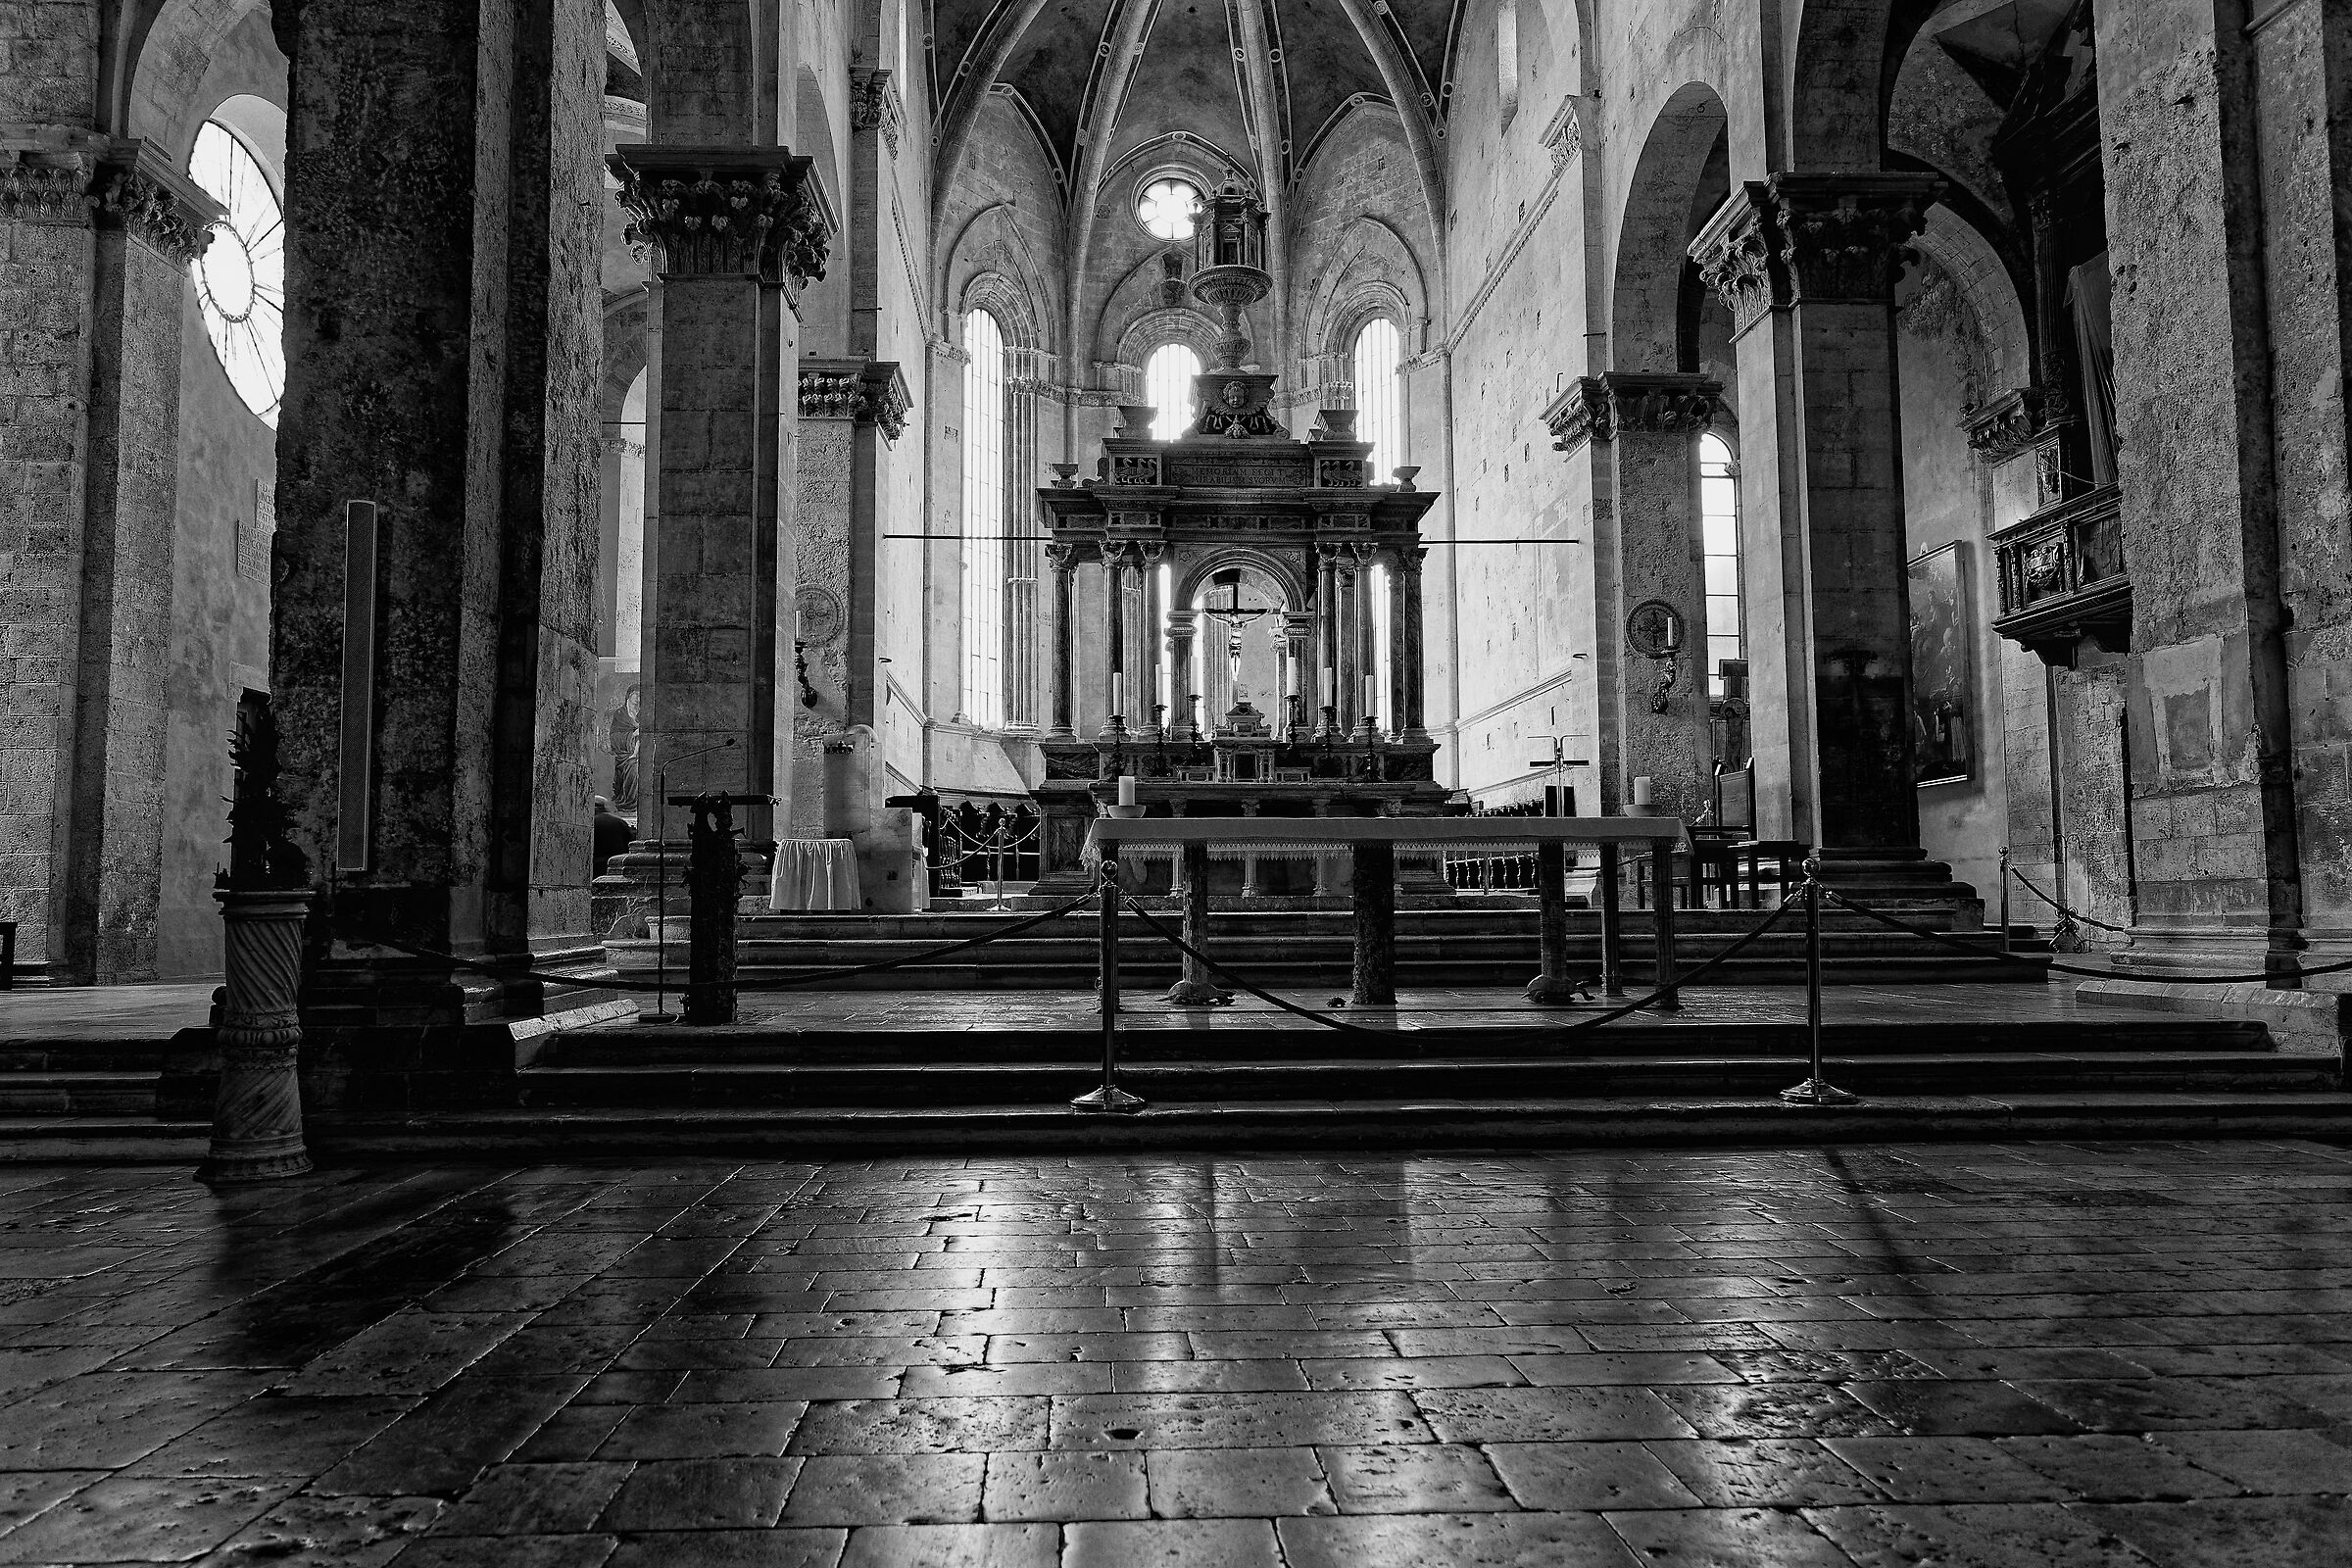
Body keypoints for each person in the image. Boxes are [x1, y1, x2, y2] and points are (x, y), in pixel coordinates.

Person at [592, 795, 632, 877]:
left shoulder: (591, 823)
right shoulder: (620, 822)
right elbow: (629, 842)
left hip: (597, 866)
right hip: (620, 863)